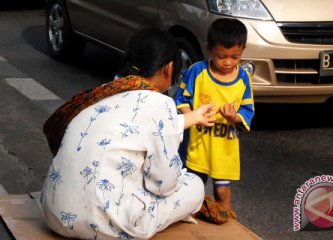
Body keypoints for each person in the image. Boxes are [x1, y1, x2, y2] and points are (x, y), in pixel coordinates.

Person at [38, 27, 216, 240]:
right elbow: (164, 185)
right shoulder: (161, 103)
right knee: (194, 185)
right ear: (169, 68)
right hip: (103, 224)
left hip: (53, 214)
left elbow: (140, 127)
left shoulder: (105, 92)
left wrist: (193, 117)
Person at [175, 18, 255, 216]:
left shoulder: (243, 78)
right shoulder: (197, 71)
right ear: (208, 48)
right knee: (193, 191)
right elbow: (180, 99)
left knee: (221, 190)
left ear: (243, 49)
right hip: (197, 145)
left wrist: (234, 117)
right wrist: (193, 116)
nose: (228, 62)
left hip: (224, 148)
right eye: (221, 56)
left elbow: (248, 110)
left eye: (235, 57)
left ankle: (225, 229)